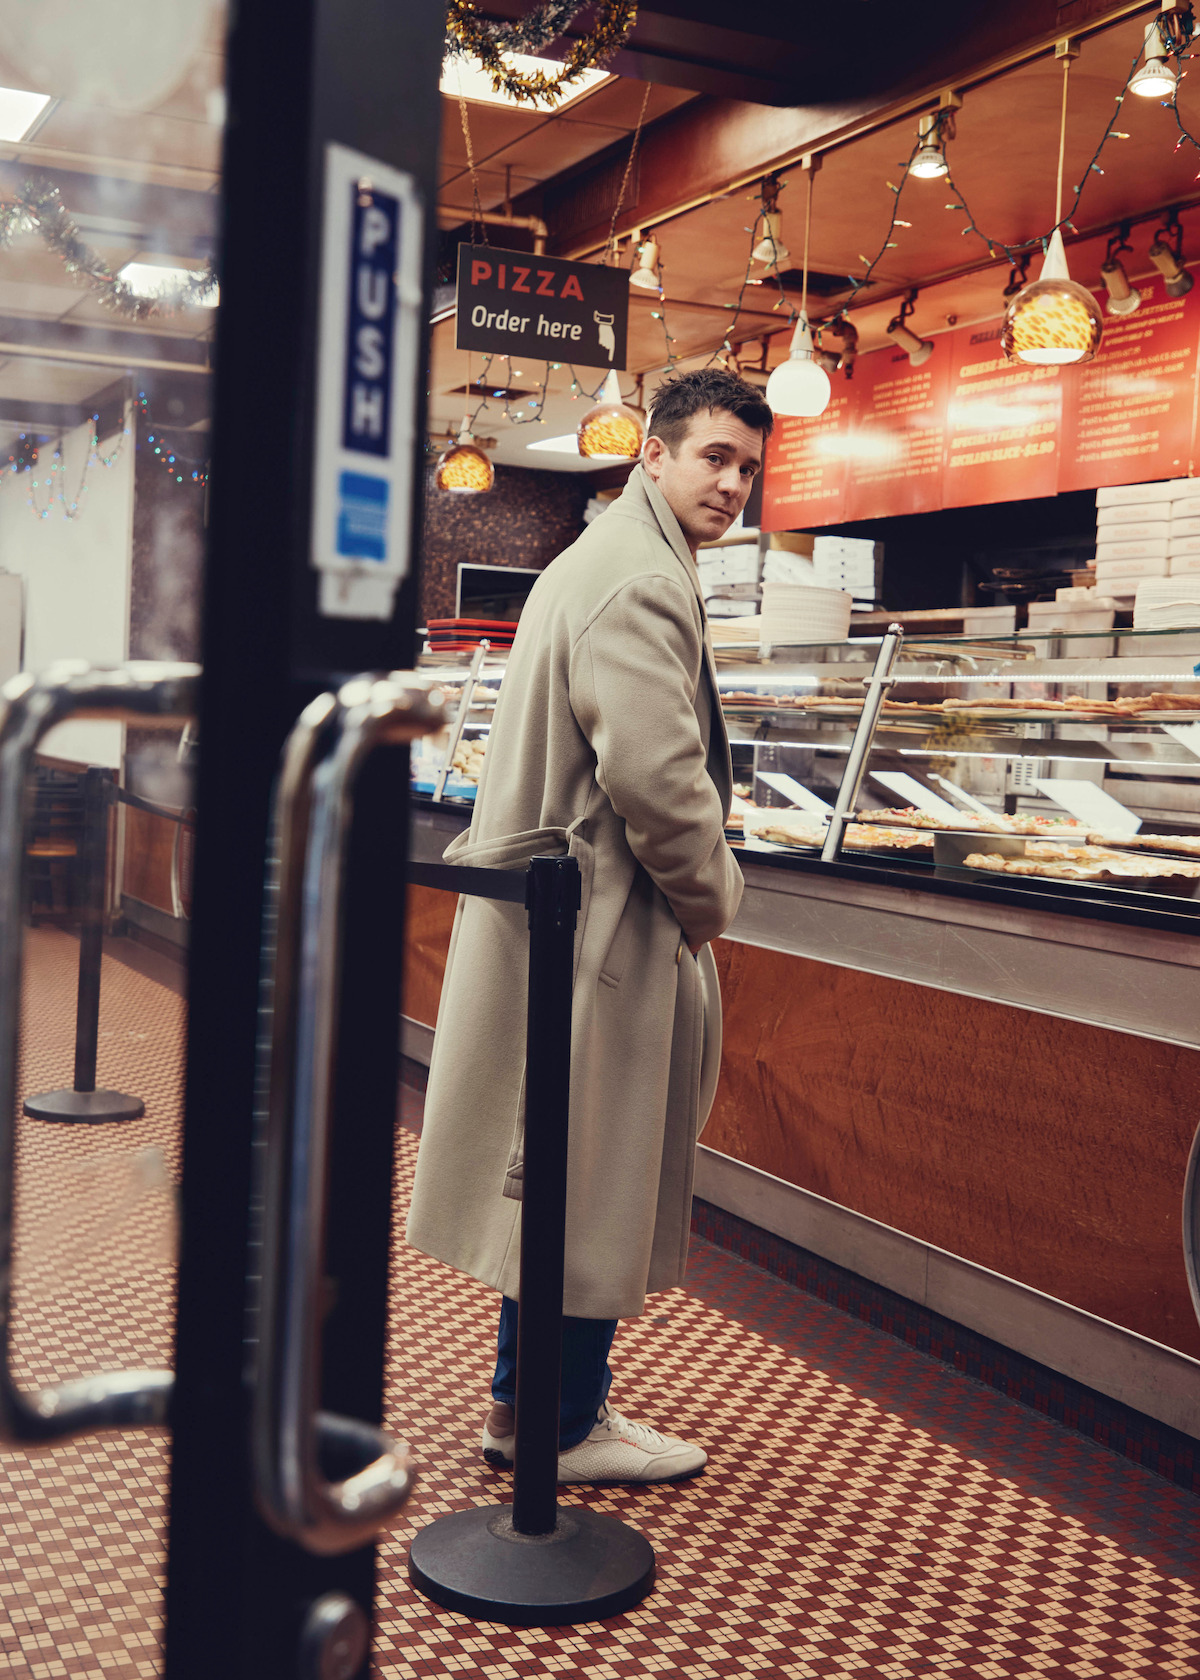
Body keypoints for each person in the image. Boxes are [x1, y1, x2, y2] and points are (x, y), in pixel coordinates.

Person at [406, 366, 773, 1482]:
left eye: (749, 468)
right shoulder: (642, 578)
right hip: (603, 927)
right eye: (714, 456)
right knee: (591, 1179)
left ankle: (529, 1410)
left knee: (555, 1173)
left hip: (561, 915)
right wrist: (714, 899)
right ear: (652, 454)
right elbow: (658, 781)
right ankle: (562, 1427)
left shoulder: (605, 555)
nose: (733, 484)